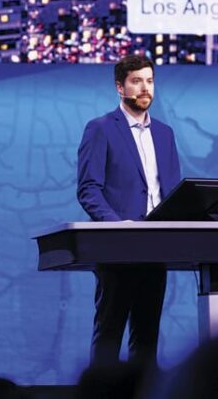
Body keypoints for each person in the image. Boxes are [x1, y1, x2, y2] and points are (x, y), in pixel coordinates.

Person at [77, 54, 181, 368]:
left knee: (147, 339)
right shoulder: (101, 129)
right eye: (137, 81)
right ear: (120, 87)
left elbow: (172, 193)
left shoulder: (165, 133)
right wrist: (117, 225)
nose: (145, 88)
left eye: (150, 81)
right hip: (117, 247)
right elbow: (88, 189)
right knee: (109, 336)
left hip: (155, 247)